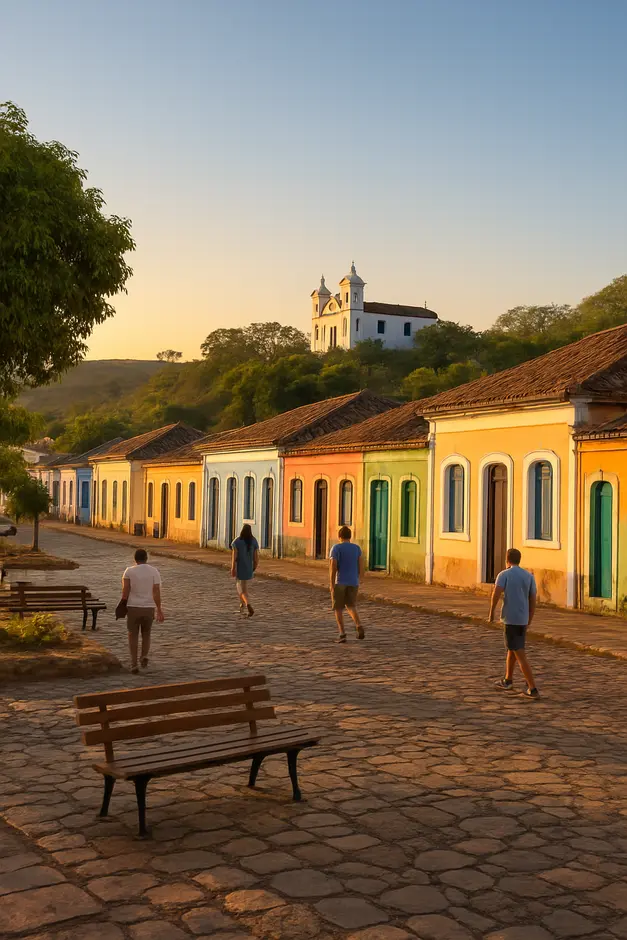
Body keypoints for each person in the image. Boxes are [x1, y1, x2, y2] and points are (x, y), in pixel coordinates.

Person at [488, 547, 539, 698]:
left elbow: (496, 594)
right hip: (522, 619)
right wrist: (530, 617)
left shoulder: (504, 575)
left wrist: (491, 613)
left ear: (507, 559)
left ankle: (532, 688)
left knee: (519, 653)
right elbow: (533, 599)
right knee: (512, 649)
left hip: (510, 619)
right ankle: (508, 679)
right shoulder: (528, 576)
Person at [121, 548, 164, 675]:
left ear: (135, 559)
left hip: (133, 607)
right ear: (146, 558)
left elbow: (125, 591)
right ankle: (144, 655)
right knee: (146, 634)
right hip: (148, 608)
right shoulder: (154, 571)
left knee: (132, 635)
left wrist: (122, 605)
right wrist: (159, 609)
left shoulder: (129, 571)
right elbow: (156, 591)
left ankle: (134, 663)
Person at [329, 525, 365, 643]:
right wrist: (359, 579)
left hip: (340, 581)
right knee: (351, 605)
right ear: (350, 537)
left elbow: (333, 567)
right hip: (353, 581)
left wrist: (331, 584)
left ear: (339, 537)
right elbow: (361, 566)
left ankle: (342, 633)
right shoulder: (357, 548)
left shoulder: (336, 548)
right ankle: (358, 624)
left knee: (338, 608)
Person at [231, 524, 259, 617]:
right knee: (243, 588)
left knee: (241, 590)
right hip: (248, 568)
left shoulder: (237, 541)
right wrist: (253, 568)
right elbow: (256, 559)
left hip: (240, 568)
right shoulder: (253, 541)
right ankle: (242, 605)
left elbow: (234, 557)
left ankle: (247, 604)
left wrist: (233, 568)